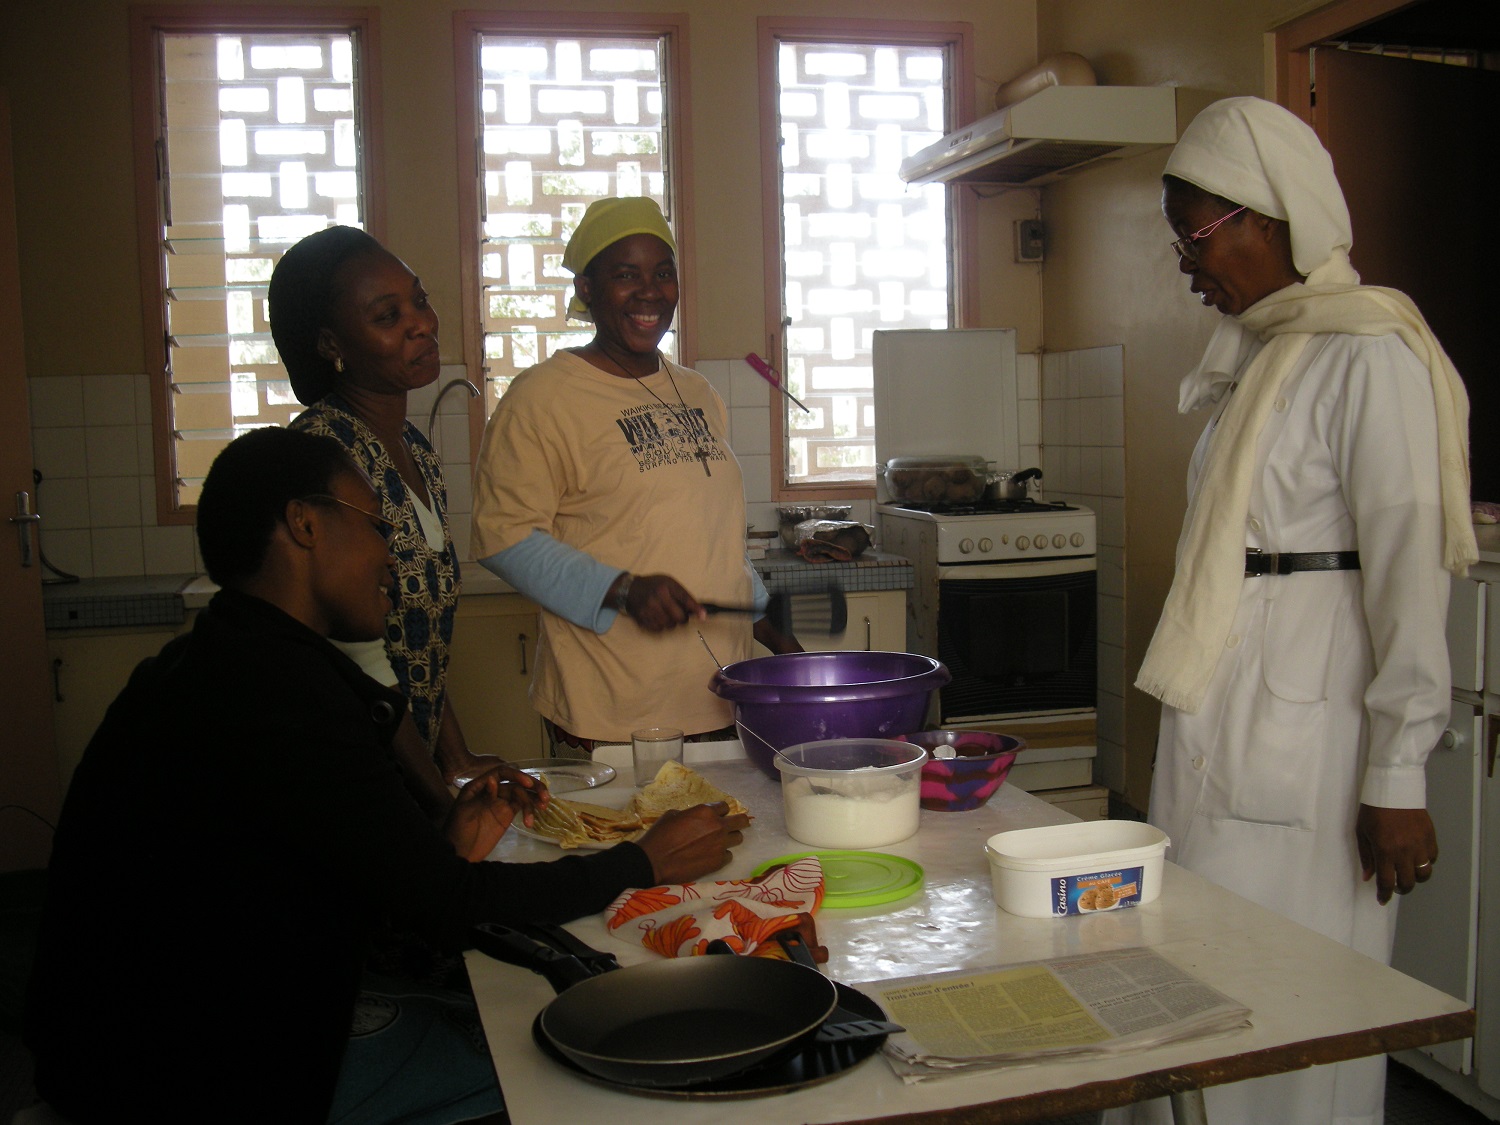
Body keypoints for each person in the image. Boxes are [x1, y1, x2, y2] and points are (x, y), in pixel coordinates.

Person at [22, 427, 750, 1125]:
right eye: (374, 524)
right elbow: (450, 905)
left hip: (138, 1038)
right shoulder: (278, 696)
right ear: (305, 525)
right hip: (178, 1076)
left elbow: (322, 873)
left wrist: (440, 837)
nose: (390, 555)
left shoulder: (224, 662)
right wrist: (643, 859)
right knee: (559, 1059)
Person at [1121, 96, 1478, 1125]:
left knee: (1295, 1013)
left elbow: (1412, 574)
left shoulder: (1370, 354)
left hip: (1313, 755)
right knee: (1201, 985)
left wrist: (1399, 774)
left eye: (1196, 234)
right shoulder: (1264, 356)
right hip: (1223, 725)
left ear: (1270, 219)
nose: (1187, 263)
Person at [471, 197, 799, 754]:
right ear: (586, 289)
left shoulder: (697, 392)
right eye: (626, 275)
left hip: (725, 698)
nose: (650, 292)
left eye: (663, 273)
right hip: (614, 713)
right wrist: (622, 590)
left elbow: (710, 539)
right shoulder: (543, 398)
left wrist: (771, 629)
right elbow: (504, 538)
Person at [270, 225, 487, 811]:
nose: (422, 323)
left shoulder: (412, 446)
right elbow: (364, 664)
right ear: (330, 343)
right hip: (351, 776)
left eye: (419, 299)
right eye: (388, 316)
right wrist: (441, 802)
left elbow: (418, 652)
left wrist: (458, 762)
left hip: (407, 770)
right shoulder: (324, 455)